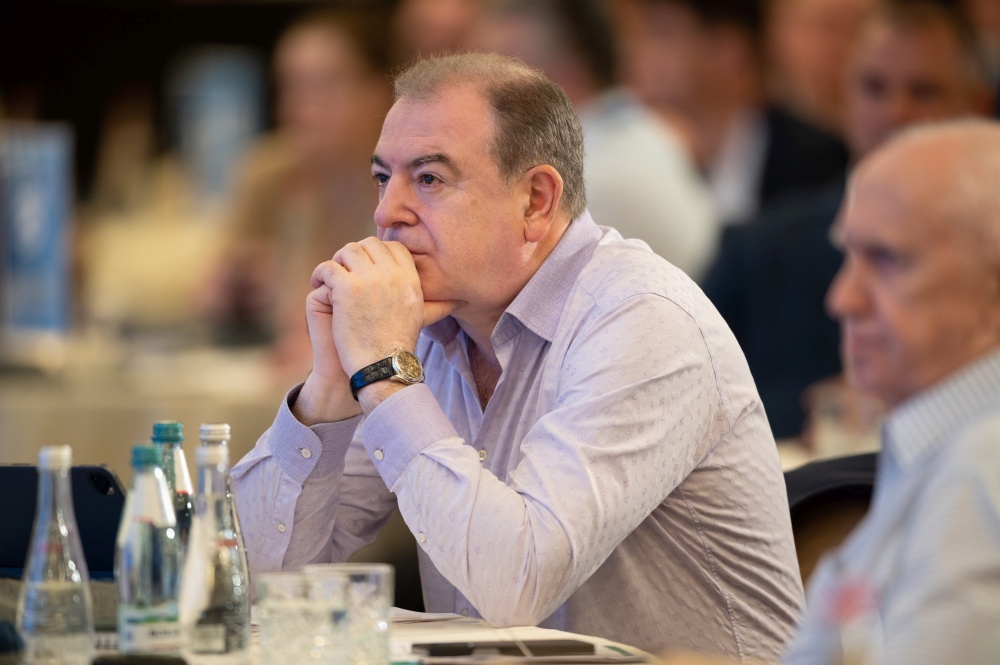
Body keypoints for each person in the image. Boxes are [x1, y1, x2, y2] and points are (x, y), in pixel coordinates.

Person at [231, 53, 804, 658]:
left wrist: (382, 372)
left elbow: (516, 582)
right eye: (383, 178)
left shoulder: (642, 319)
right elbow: (252, 581)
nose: (385, 213)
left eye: (429, 179)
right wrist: (329, 387)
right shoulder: (423, 326)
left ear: (536, 201)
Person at [665, 118, 1000, 665]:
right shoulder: (939, 443)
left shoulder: (982, 468)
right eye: (849, 256)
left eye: (886, 260)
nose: (843, 299)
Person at [701, 0, 993, 439]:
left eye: (924, 92)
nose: (896, 113)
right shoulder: (757, 253)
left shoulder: (987, 261)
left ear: (976, 105)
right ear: (844, 97)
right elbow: (680, 404)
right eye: (874, 88)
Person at [200, 8, 392, 376]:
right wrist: (229, 291)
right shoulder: (269, 172)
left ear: (379, 91)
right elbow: (206, 297)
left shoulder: (406, 181)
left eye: (326, 85)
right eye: (290, 86)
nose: (302, 106)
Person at [471, 0, 718, 280]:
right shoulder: (648, 132)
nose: (479, 95)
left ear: (566, 77)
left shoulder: (578, 178)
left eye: (499, 79)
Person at [616, 0, 848, 225]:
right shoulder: (635, 150)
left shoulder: (814, 161)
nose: (638, 52)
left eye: (663, 33)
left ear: (728, 50)